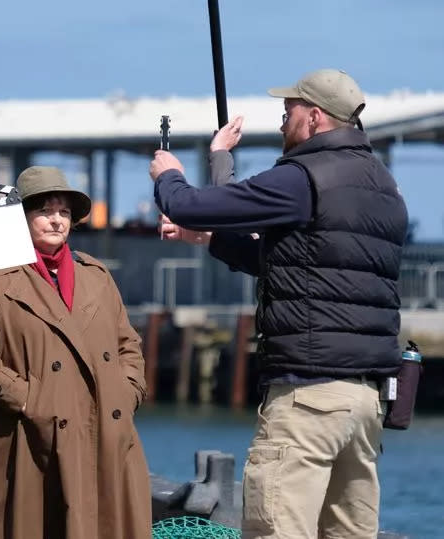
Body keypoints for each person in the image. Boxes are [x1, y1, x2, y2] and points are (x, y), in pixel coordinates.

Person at [151, 69, 408, 539]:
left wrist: (169, 177)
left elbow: (193, 204)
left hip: (307, 399)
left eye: (288, 111)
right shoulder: (384, 187)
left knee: (278, 529)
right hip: (366, 404)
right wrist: (211, 235)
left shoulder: (303, 178)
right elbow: (295, 266)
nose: (283, 120)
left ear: (314, 117)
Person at [0, 166, 151, 539]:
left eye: (63, 212)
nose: (56, 220)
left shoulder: (96, 275)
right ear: (20, 218)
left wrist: (127, 393)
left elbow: (129, 344)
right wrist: (31, 400)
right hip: (27, 438)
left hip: (103, 432)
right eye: (44, 211)